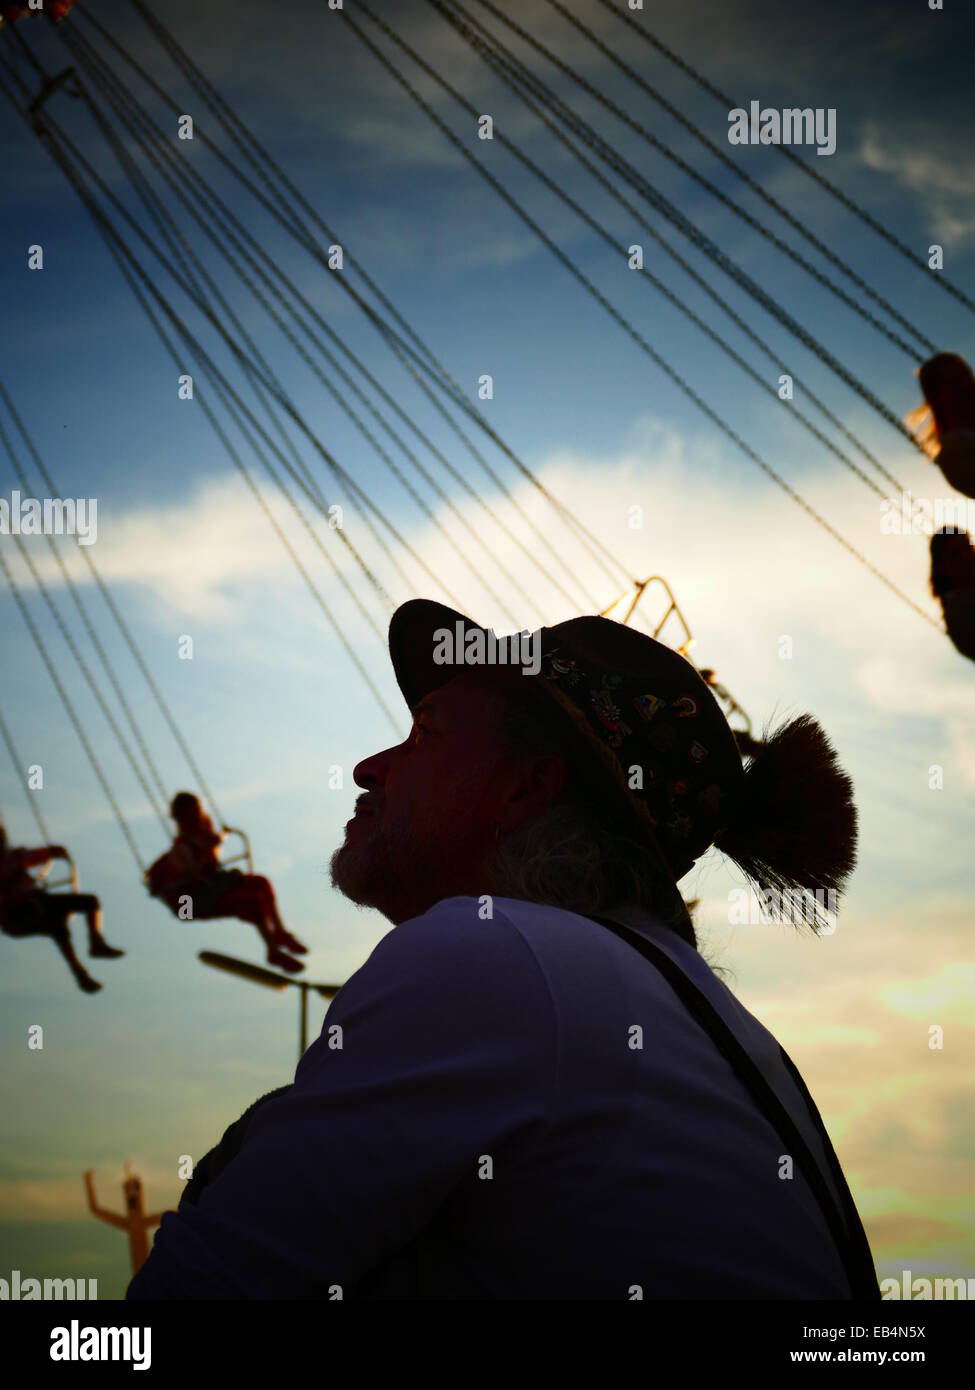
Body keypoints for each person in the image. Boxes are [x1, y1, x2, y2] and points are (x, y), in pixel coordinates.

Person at [129, 601, 878, 1301]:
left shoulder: (490, 952)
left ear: (524, 790)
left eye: (426, 732)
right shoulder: (702, 1021)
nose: (369, 767)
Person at [146, 793, 308, 973]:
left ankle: (279, 932)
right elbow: (192, 875)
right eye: (194, 813)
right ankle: (273, 950)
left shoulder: (203, 832)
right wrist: (208, 849)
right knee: (253, 901)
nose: (198, 816)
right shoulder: (182, 848)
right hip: (192, 900)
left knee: (261, 883)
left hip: (211, 888)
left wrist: (218, 839)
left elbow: (212, 849)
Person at [0, 821, 123, 994]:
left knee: (59, 925)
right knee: (80, 908)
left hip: (27, 909)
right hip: (19, 911)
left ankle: (84, 966)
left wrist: (53, 852)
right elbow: (38, 855)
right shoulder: (14, 857)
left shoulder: (16, 856)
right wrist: (53, 852)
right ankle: (92, 949)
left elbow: (39, 855)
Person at [906, 352, 975, 498]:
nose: (968, 384)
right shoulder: (956, 452)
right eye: (955, 381)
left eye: (968, 376)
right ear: (935, 398)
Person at [930, 526, 975, 663]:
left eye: (968, 548)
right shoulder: (959, 610)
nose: (967, 557)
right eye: (956, 554)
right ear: (942, 567)